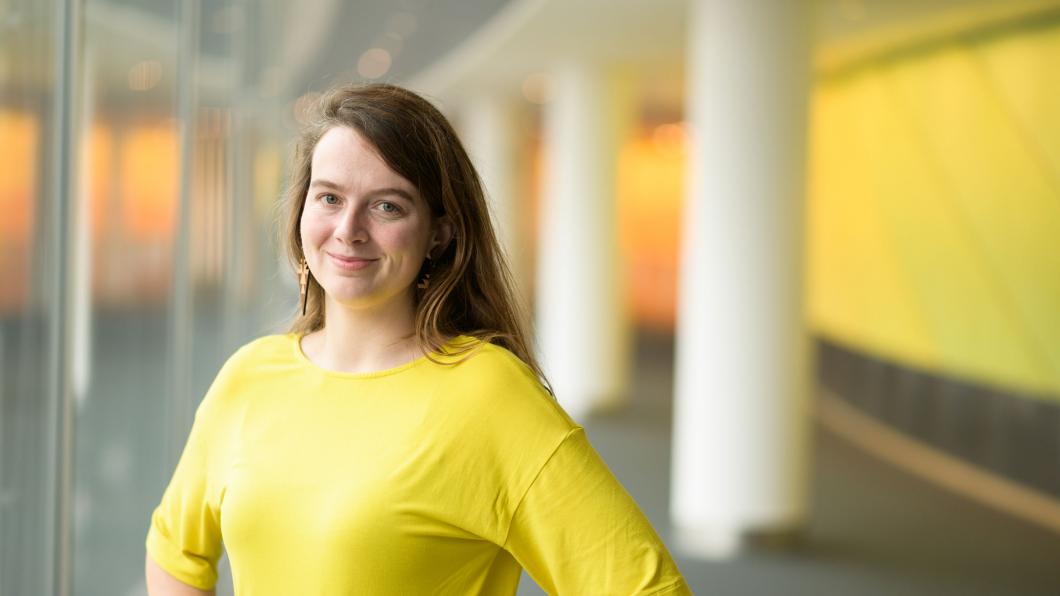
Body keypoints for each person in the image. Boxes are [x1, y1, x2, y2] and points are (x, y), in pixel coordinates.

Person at [144, 83, 691, 595]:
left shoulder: (487, 395)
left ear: (439, 233)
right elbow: (175, 550)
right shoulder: (250, 375)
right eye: (329, 198)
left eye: (387, 206)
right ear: (301, 209)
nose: (349, 229)